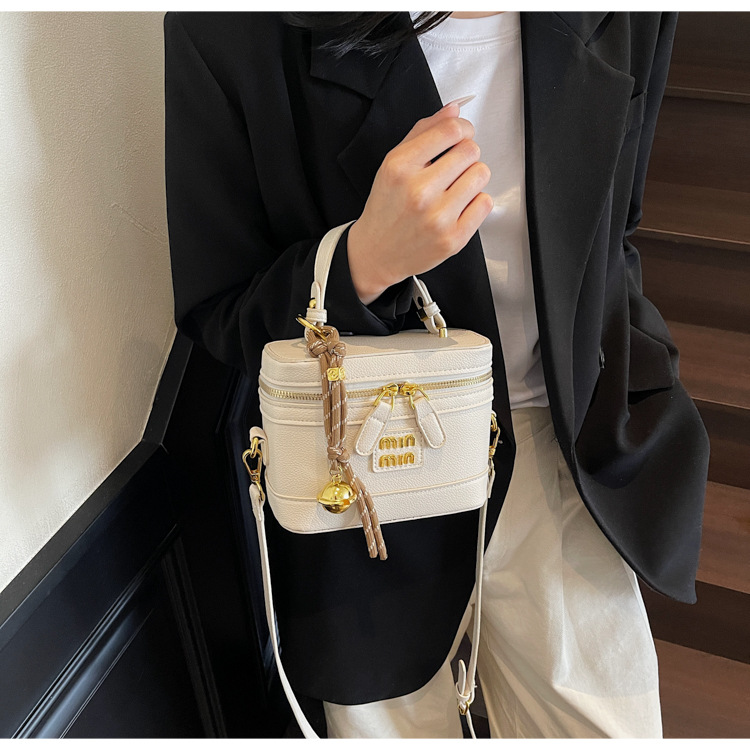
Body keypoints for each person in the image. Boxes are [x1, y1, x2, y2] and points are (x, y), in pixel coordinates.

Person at [163, 10, 710, 738]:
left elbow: (616, 225)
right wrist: (361, 264)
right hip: (365, 481)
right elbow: (218, 304)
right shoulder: (233, 29)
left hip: (561, 451)